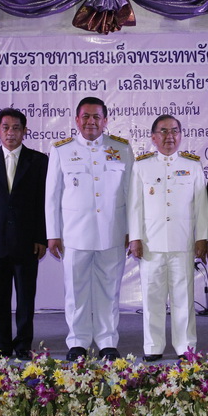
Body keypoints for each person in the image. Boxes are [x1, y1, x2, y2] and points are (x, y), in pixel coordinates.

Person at [45, 96, 134, 361]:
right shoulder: (61, 150)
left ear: (105, 120)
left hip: (112, 232)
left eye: (96, 116)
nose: (91, 121)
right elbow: (52, 196)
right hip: (74, 234)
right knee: (76, 291)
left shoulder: (121, 148)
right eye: (85, 116)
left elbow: (131, 193)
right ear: (77, 119)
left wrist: (132, 230)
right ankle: (78, 341)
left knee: (109, 290)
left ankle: (107, 341)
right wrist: (53, 234)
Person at [127, 115, 208, 362]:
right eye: (163, 131)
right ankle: (153, 346)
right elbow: (135, 205)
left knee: (183, 297)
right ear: (153, 137)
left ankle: (186, 346)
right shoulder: (142, 166)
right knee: (152, 297)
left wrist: (202, 237)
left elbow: (201, 206)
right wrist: (135, 238)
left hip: (182, 243)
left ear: (181, 135)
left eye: (174, 131)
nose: (169, 136)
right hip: (151, 244)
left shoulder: (192, 165)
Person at [0, 108, 49, 359]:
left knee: (26, 297)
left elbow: (43, 203)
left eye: (16, 128)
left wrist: (41, 237)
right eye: (5, 127)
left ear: (25, 131)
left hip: (27, 241)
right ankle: (2, 343)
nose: (10, 133)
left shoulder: (38, 161)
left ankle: (23, 344)